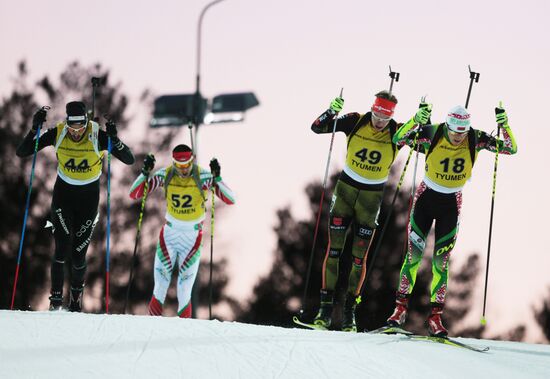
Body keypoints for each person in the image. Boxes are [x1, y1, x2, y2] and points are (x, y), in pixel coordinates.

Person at [386, 103, 518, 336]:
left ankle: (435, 318)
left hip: (451, 204)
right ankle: (399, 310)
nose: (458, 137)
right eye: (455, 131)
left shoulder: (475, 138)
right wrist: (416, 119)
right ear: (447, 125)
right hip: (425, 200)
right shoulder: (433, 132)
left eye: (462, 132)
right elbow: (398, 137)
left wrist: (504, 124)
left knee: (441, 262)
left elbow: (510, 148)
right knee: (413, 257)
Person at [309, 91, 424, 331]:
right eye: (377, 114)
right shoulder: (356, 120)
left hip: (371, 199)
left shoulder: (398, 131)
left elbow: (426, 145)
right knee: (334, 252)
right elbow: (317, 128)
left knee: (359, 259)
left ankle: (349, 313)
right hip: (345, 191)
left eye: (385, 117)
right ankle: (325, 311)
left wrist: (422, 120)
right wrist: (332, 110)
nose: (379, 121)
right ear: (372, 108)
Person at [16, 101, 135, 311]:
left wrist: (115, 140)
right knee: (61, 248)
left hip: (88, 199)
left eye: (80, 127)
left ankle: (76, 299)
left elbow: (129, 159)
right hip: (63, 196)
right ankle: (55, 301)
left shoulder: (96, 136)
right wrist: (34, 129)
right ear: (67, 123)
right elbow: (22, 152)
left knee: (79, 254)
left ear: (86, 123)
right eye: (72, 128)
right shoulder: (58, 133)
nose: (76, 133)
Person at [129, 144, 235, 318]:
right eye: (179, 165)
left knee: (185, 289)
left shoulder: (203, 177)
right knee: (161, 284)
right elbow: (135, 194)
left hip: (192, 238)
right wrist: (144, 172)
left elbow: (230, 199)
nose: (183, 170)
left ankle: (183, 330)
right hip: (170, 234)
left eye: (187, 165)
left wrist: (218, 177)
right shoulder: (167, 174)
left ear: (192, 161)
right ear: (174, 163)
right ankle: (151, 327)